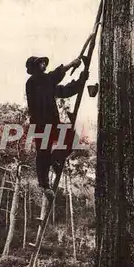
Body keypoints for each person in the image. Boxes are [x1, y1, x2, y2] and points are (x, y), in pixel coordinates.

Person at [25, 56, 87, 199]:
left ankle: (56, 158)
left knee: (71, 138)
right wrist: (71, 64)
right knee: (43, 153)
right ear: (34, 68)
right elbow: (53, 77)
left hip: (52, 122)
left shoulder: (47, 83)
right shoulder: (33, 82)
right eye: (40, 63)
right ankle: (45, 186)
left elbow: (64, 91)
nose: (43, 64)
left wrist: (80, 81)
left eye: (43, 62)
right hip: (40, 124)